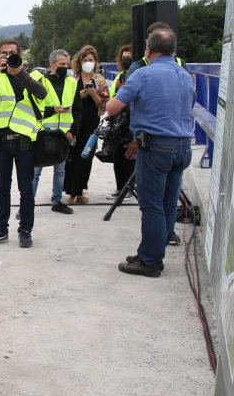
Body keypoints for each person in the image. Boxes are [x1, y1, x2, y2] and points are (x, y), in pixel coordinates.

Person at [106, 29, 194, 278]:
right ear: (173, 50)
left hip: (156, 148)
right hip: (182, 147)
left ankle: (150, 261)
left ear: (148, 50)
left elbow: (113, 108)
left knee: (151, 206)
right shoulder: (185, 75)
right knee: (167, 204)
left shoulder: (143, 74)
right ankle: (154, 251)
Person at [0, 38, 46, 248]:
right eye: (3, 53)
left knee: (26, 190)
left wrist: (20, 74)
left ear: (20, 55)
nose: (8, 57)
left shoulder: (34, 75)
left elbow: (41, 94)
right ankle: (1, 230)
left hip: (24, 142)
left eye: (11, 53)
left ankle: (25, 231)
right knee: (2, 189)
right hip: (1, 142)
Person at [32, 49, 81, 215]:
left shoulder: (73, 83)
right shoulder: (39, 81)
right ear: (52, 64)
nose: (65, 67)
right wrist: (52, 110)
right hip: (42, 133)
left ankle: (57, 201)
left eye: (67, 64)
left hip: (63, 134)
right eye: (62, 64)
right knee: (35, 171)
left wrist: (72, 132)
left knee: (60, 171)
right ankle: (27, 204)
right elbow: (33, 109)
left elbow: (78, 111)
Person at [64, 45, 108, 205]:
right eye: (85, 60)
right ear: (80, 61)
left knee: (86, 155)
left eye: (91, 60)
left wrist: (94, 95)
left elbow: (103, 107)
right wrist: (80, 95)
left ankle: (82, 189)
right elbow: (66, 103)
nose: (88, 62)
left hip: (91, 122)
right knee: (72, 154)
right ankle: (71, 191)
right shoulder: (72, 79)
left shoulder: (99, 80)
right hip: (74, 121)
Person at [107, 45, 136, 198]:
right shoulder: (120, 76)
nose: (126, 60)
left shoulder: (137, 75)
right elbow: (114, 98)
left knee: (129, 156)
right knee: (118, 157)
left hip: (131, 122)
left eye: (129, 58)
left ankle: (130, 188)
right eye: (124, 58)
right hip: (118, 122)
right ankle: (120, 188)